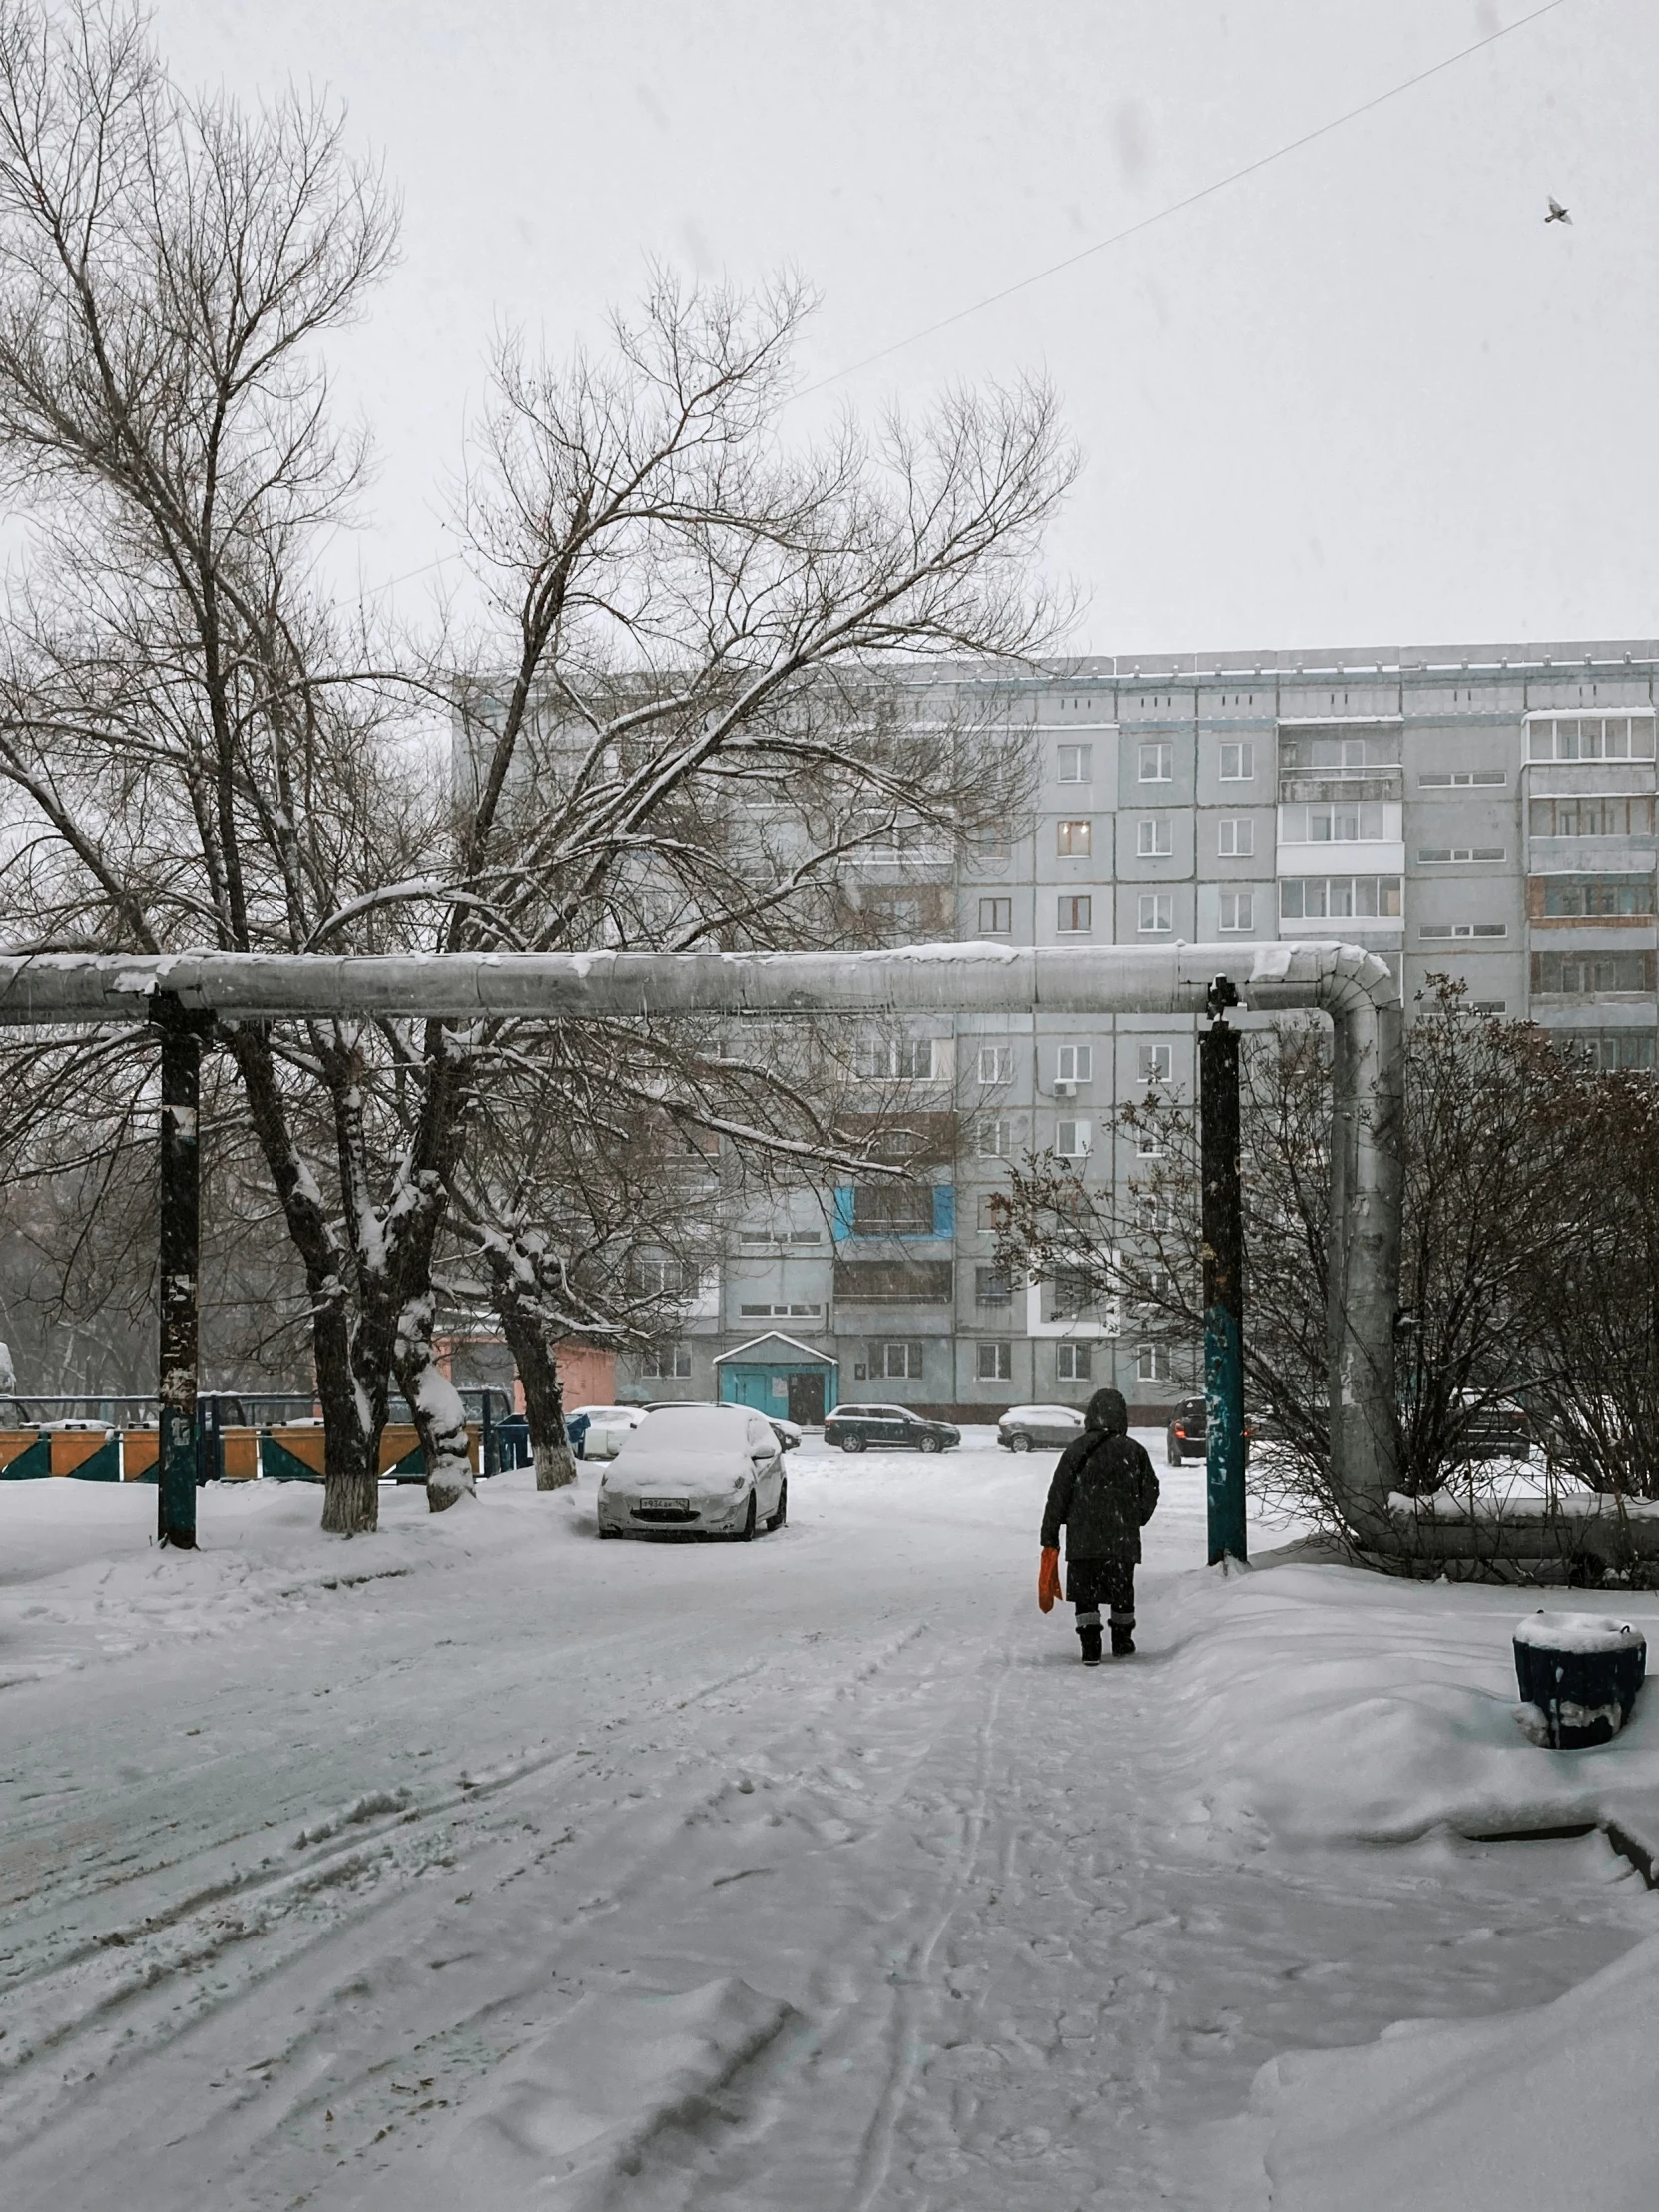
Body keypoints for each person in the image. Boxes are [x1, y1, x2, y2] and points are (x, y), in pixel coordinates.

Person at [1040, 1386, 1160, 1664]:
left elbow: (1058, 1495)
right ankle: (1122, 1639)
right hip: (1121, 1539)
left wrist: (1050, 1536)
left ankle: (1090, 1644)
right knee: (1121, 1591)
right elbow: (1151, 1490)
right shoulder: (1134, 1451)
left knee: (1085, 1592)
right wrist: (1135, 1518)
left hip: (1083, 1539)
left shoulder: (1076, 1450)